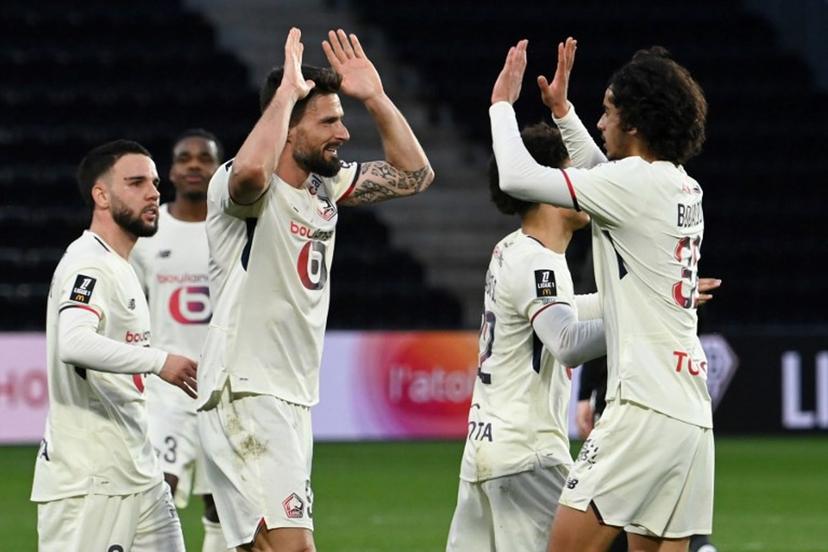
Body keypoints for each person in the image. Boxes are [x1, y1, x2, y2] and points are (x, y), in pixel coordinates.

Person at [196, 28, 435, 551]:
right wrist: (285, 94)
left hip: (291, 395)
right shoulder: (238, 185)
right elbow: (254, 171)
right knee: (294, 546)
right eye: (329, 121)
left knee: (259, 546)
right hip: (247, 388)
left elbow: (415, 176)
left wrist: (373, 96)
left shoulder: (324, 187)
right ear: (288, 129)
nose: (344, 134)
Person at [490, 38, 713, 552]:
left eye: (608, 112)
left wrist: (501, 104)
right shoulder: (681, 185)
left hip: (642, 409)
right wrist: (563, 112)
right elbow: (606, 175)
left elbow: (517, 177)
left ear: (635, 123)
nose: (599, 123)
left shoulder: (633, 185)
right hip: (689, 414)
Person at [31, 140, 198, 551]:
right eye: (136, 182)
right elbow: (73, 342)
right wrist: (160, 362)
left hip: (137, 472)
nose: (153, 192)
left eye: (155, 183)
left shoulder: (121, 264)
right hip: (90, 482)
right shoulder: (88, 264)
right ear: (100, 195)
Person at [446, 122, 606, 552]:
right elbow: (568, 340)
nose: (585, 185)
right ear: (548, 184)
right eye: (574, 173)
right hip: (529, 456)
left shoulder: (511, 249)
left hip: (485, 449)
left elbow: (569, 309)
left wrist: (644, 300)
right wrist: (646, 323)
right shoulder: (541, 265)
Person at [131, 129, 228, 551]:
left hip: (222, 386)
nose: (193, 165)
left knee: (221, 505)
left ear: (218, 169)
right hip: (165, 386)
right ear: (170, 171)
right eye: (184, 158)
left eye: (203, 159)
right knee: (157, 493)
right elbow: (129, 310)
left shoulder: (234, 229)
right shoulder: (148, 235)